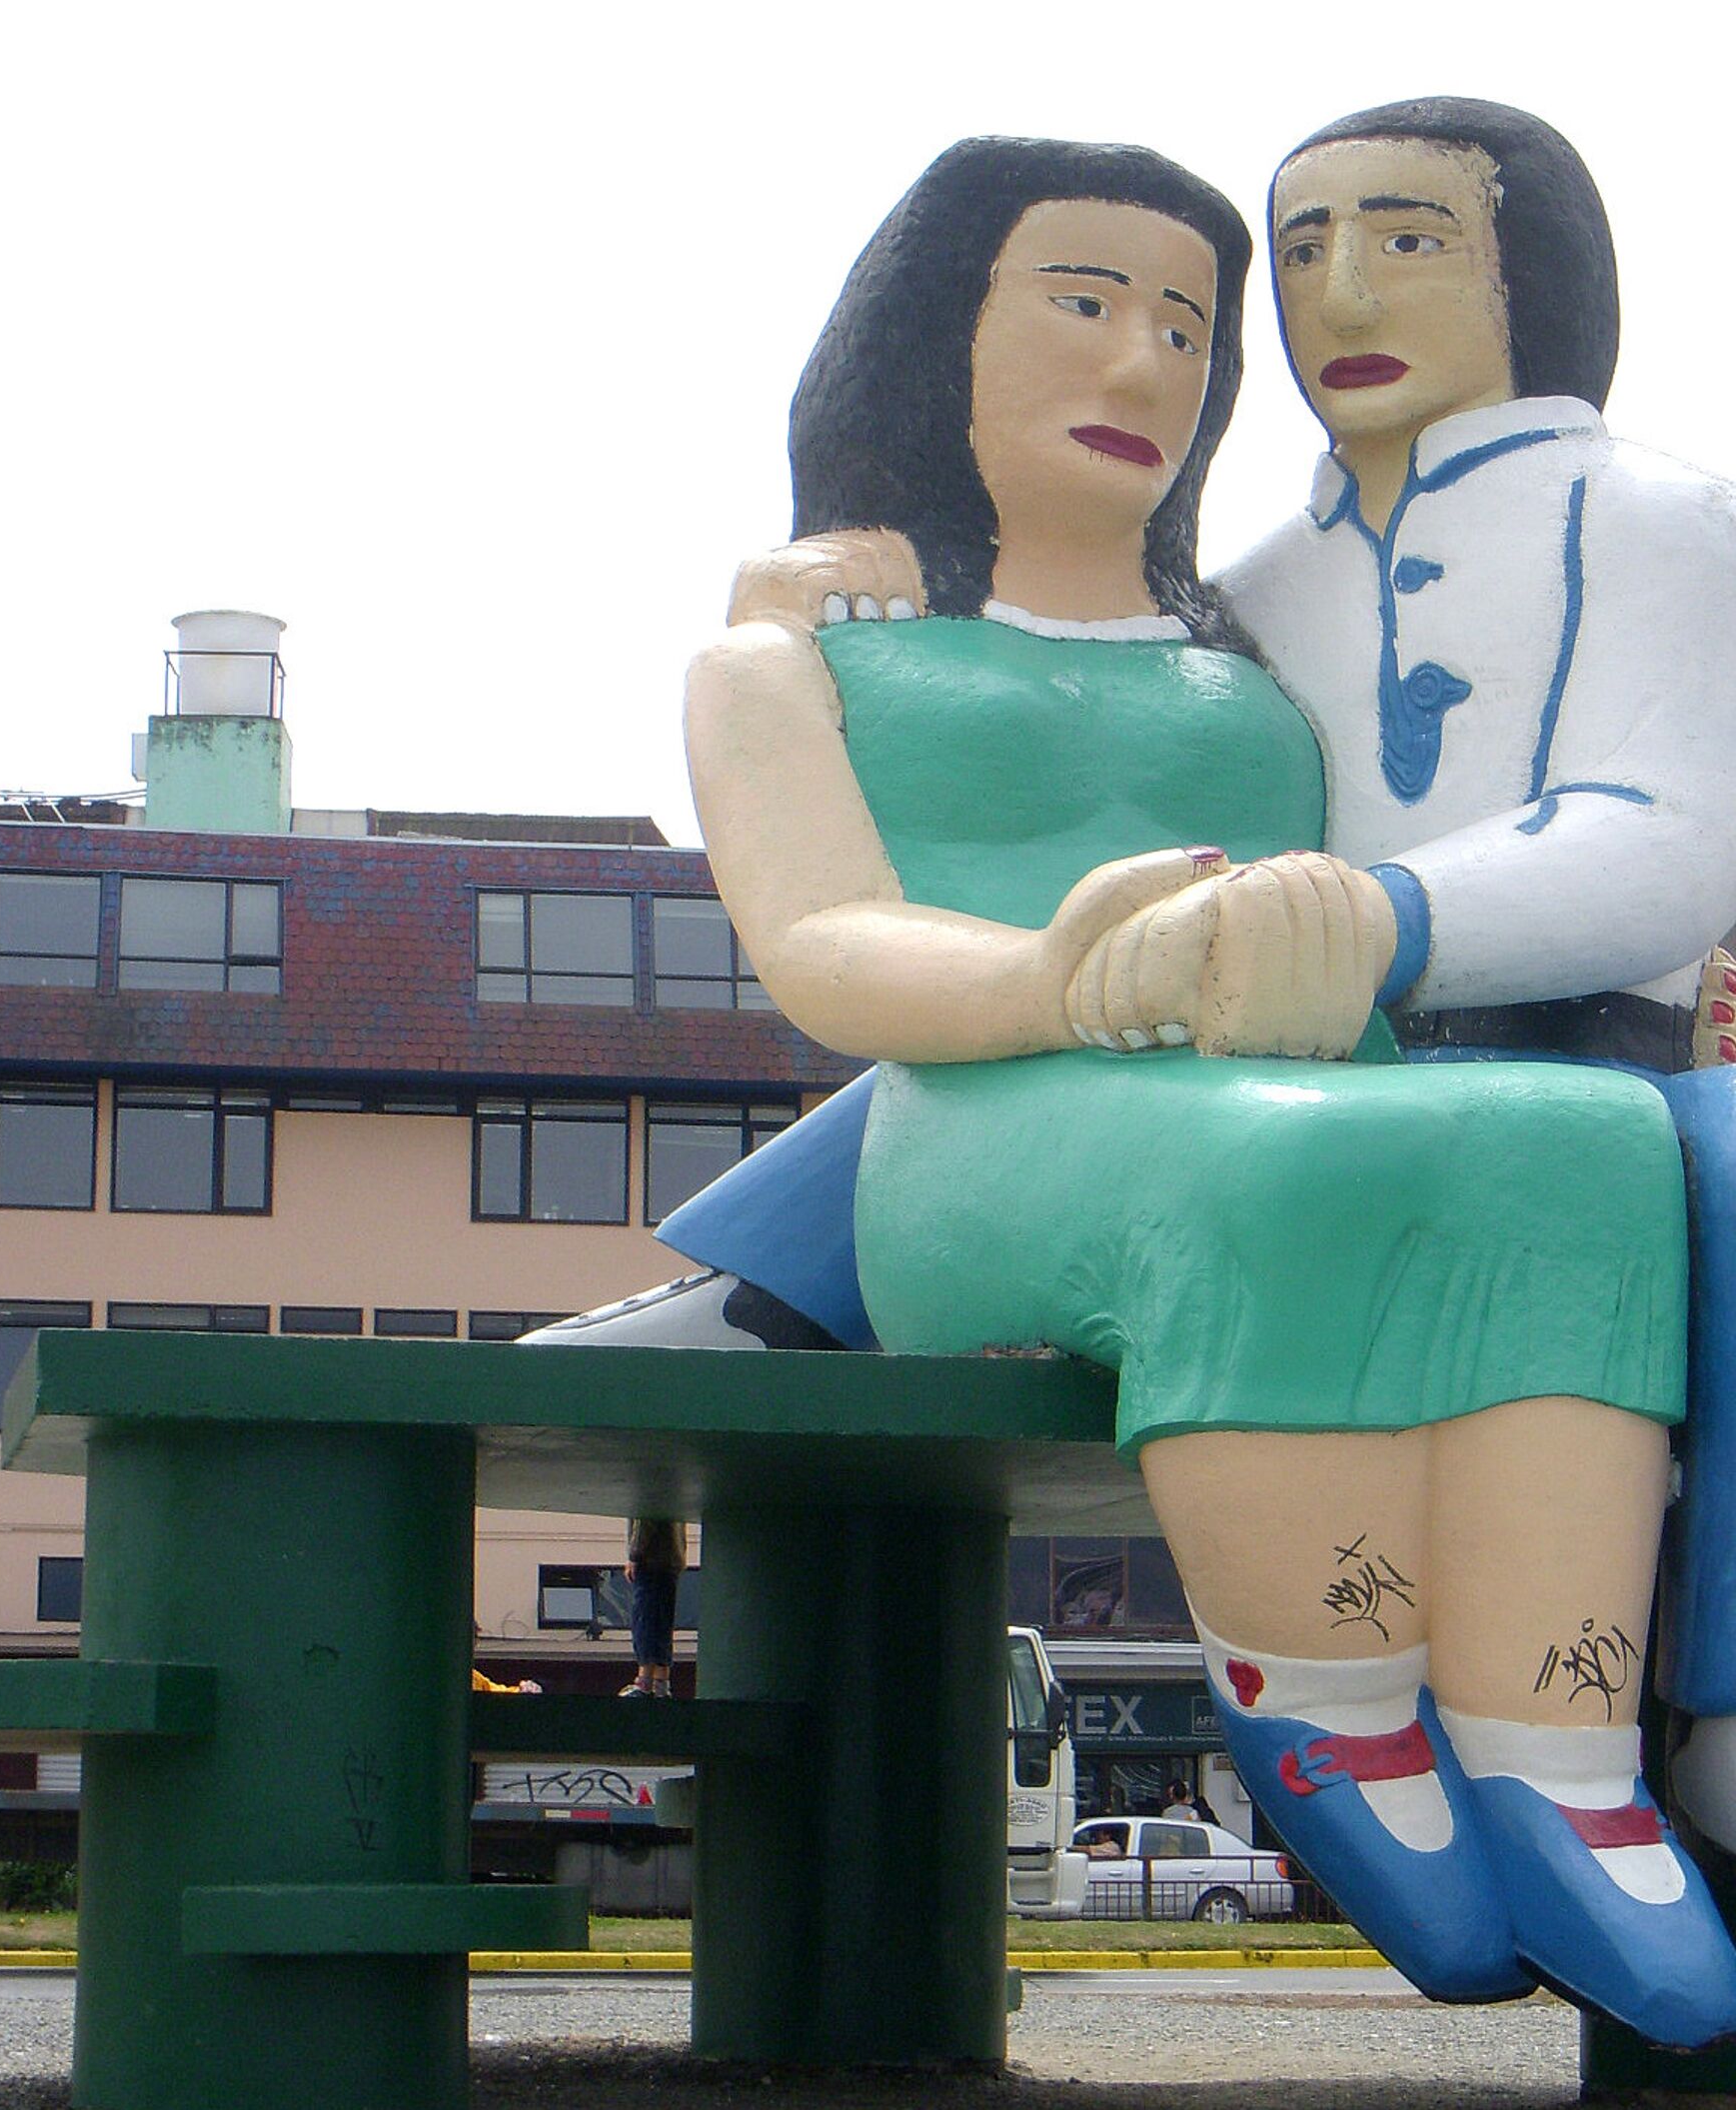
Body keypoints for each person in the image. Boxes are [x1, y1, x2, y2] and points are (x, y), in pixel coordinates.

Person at [675, 130, 1736, 2046]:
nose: (1144, 362)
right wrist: (1047, 976)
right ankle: (1320, 1686)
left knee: (1588, 1148)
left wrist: (1363, 932)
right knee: (1277, 1171)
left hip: (1280, 1074)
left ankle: (1553, 1729)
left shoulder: (1226, 637)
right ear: (932, 326)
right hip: (1001, 1120)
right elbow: (824, 939)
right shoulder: (790, 658)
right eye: (1085, 302)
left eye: (1183, 321)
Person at [620, 1517, 686, 1698]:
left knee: (645, 1621)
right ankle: (660, 1684)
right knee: (662, 1625)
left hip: (651, 1560)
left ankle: (645, 1683)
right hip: (670, 1560)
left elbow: (645, 1520)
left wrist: (634, 1556)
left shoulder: (650, 1500)